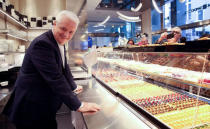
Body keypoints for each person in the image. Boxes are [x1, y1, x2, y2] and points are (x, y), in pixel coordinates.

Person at [3, 10, 100, 129]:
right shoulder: (43, 44)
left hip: (43, 106)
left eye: (71, 32)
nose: (66, 35)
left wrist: (73, 86)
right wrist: (78, 105)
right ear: (54, 24)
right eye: (63, 29)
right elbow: (55, 78)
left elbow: (64, 68)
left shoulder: (59, 42)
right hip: (31, 108)